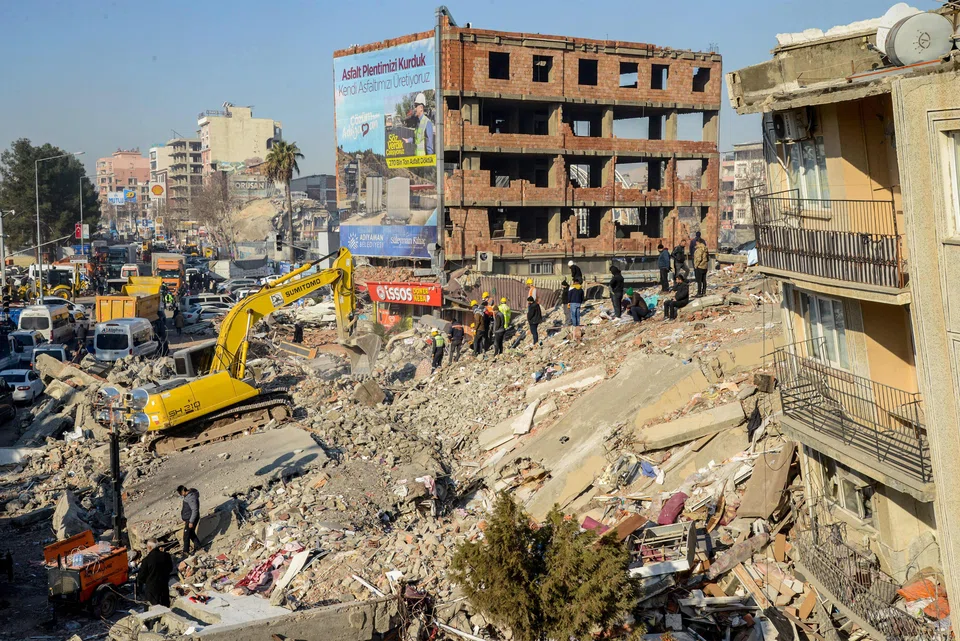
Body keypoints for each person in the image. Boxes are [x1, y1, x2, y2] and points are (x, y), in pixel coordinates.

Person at [137, 538, 173, 607]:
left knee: (152, 609)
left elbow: (141, 577)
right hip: (164, 587)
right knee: (165, 608)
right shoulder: (166, 556)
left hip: (151, 590)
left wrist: (147, 581)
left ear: (150, 547)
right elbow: (170, 569)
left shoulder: (146, 560)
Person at [403, 92, 435, 156]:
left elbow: (429, 145)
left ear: (421, 108)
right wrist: (408, 140)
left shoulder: (427, 122)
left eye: (415, 106)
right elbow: (417, 139)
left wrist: (430, 159)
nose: (414, 109)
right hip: (417, 158)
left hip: (424, 160)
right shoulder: (418, 122)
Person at [177, 486, 201, 555]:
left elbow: (195, 510)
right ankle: (198, 547)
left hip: (191, 519)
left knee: (186, 535)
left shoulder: (191, 497)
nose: (181, 495)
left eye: (180, 493)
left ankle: (186, 551)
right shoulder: (188, 496)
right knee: (191, 533)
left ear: (183, 491)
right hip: (189, 518)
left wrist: (191, 521)